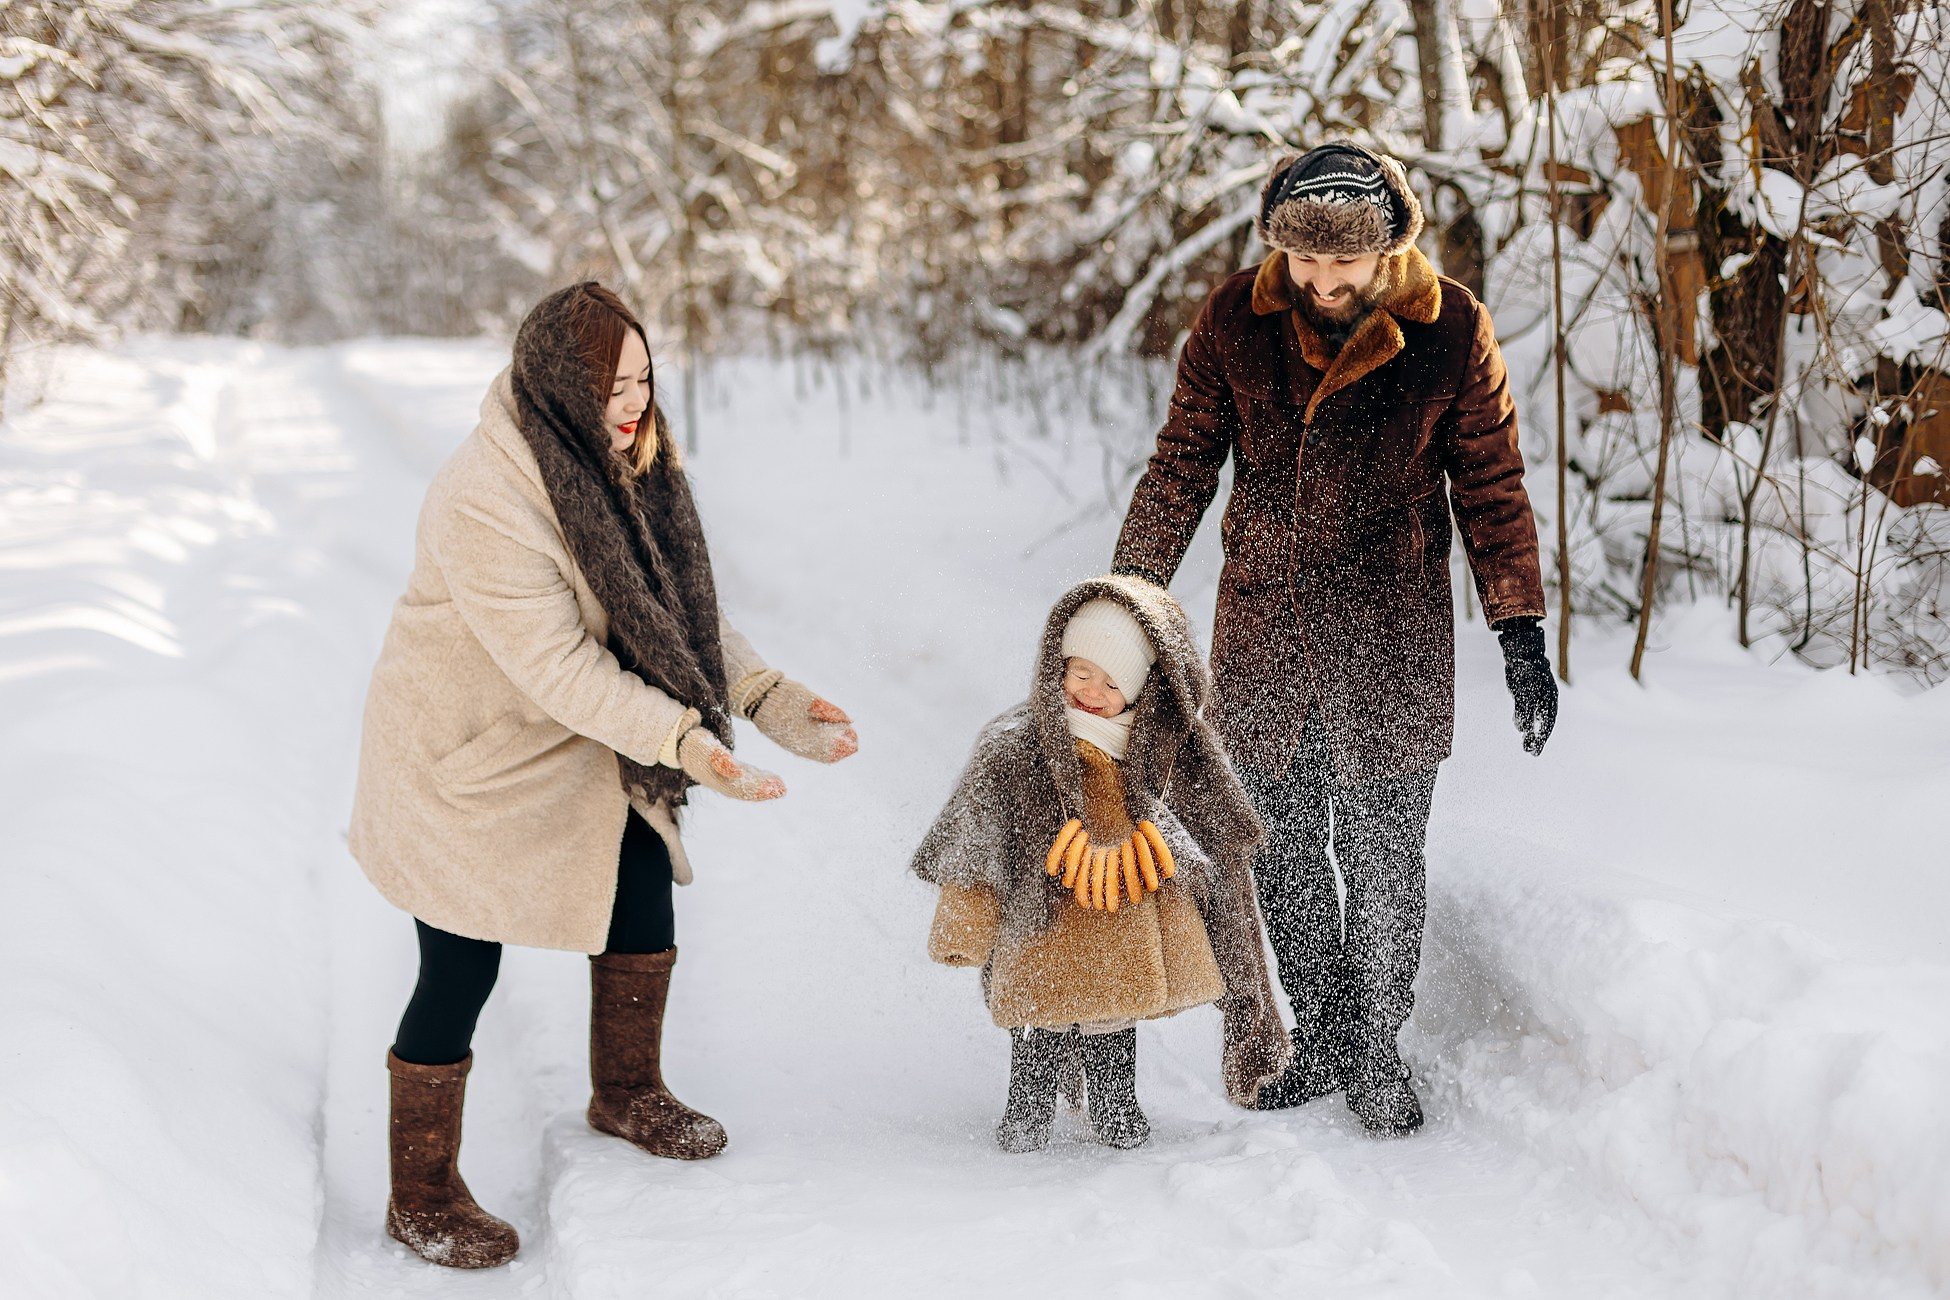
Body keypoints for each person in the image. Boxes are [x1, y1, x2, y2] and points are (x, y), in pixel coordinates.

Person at [348, 282, 859, 1268]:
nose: (633, 404)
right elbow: (562, 666)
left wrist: (765, 698)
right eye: (610, 387)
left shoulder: (619, 462)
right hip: (467, 756)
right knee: (460, 965)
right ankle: (418, 1191)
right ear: (556, 388)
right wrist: (683, 738)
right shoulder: (486, 497)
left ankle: (627, 1089)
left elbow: (669, 612)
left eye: (644, 379)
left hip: (571, 740)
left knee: (635, 874)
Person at [1111, 142, 1558, 1137]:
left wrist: (1519, 627)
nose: (1321, 283)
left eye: (1342, 267)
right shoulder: (1237, 317)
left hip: (1389, 632)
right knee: (1277, 848)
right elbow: (1183, 460)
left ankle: (1376, 1047)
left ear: (1386, 244)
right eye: (1305, 265)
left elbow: (1491, 485)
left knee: (1384, 852)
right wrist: (1130, 591)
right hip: (1267, 625)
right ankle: (1326, 1033)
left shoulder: (1448, 326)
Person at [910, 574, 1290, 1152]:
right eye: (1079, 671)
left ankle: (1116, 1107)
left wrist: (1199, 894)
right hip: (1042, 924)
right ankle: (1028, 1110)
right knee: (1041, 1015)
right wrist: (965, 923)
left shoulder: (1153, 752)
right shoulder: (1017, 747)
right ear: (1057, 666)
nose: (1090, 690)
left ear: (1138, 690)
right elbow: (976, 838)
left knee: (1113, 1016)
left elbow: (1209, 832)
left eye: (1110, 682)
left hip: (1123, 919)